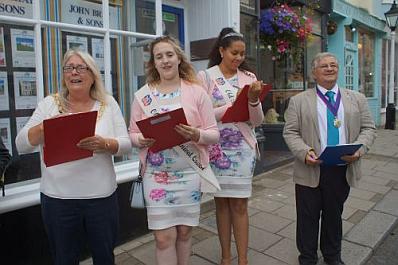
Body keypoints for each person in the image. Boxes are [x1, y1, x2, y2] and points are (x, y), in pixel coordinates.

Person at [16, 49, 131, 265]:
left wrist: (105, 144)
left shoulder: (107, 103)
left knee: (105, 257)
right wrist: (44, 127)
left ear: (92, 74)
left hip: (101, 198)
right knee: (64, 259)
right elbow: (21, 144)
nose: (73, 72)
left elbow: (125, 144)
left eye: (80, 67)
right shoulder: (49, 104)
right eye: (68, 68)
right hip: (58, 200)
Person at [129, 36, 220, 265]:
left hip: (190, 174)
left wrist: (196, 134)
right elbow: (131, 134)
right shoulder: (142, 96)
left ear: (179, 58)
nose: (165, 60)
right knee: (163, 237)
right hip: (156, 177)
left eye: (169, 55)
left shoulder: (197, 92)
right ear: (153, 63)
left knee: (184, 233)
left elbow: (214, 133)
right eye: (159, 56)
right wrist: (142, 139)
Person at [283, 52, 376, 265]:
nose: (329, 68)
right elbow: (290, 132)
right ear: (314, 72)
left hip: (342, 167)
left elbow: (368, 128)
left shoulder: (357, 99)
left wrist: (359, 151)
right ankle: (307, 257)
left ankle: (332, 256)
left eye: (333, 65)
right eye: (323, 65)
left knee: (334, 216)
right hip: (310, 168)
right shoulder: (298, 101)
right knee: (307, 217)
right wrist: (304, 152)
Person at [197, 27, 264, 265]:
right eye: (234, 53)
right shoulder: (205, 77)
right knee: (221, 204)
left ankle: (242, 259)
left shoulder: (250, 78)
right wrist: (229, 109)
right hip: (216, 149)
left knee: (239, 204)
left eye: (242, 54)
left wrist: (253, 100)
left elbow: (257, 121)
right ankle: (226, 257)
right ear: (222, 51)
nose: (238, 58)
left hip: (243, 148)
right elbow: (198, 116)